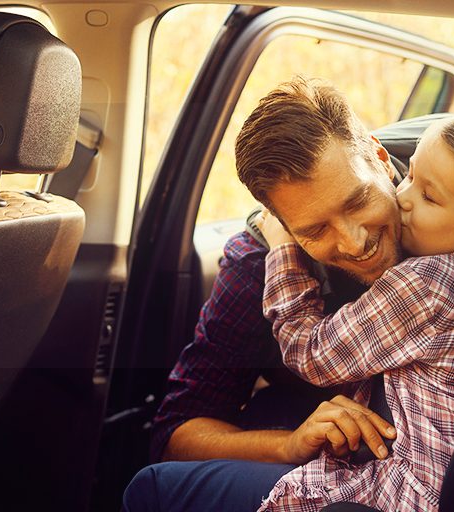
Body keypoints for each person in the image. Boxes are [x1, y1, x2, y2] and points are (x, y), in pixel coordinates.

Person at [125, 77, 406, 512]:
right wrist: (289, 445)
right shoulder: (259, 265)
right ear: (282, 227)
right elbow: (176, 433)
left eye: (358, 202)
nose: (353, 243)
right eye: (315, 230)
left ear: (382, 160)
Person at [252, 113, 454, 511]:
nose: (404, 198)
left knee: (157, 484)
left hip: (410, 492)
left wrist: (282, 249)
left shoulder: (428, 283)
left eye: (429, 196)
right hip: (439, 484)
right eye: (410, 175)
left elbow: (313, 354)